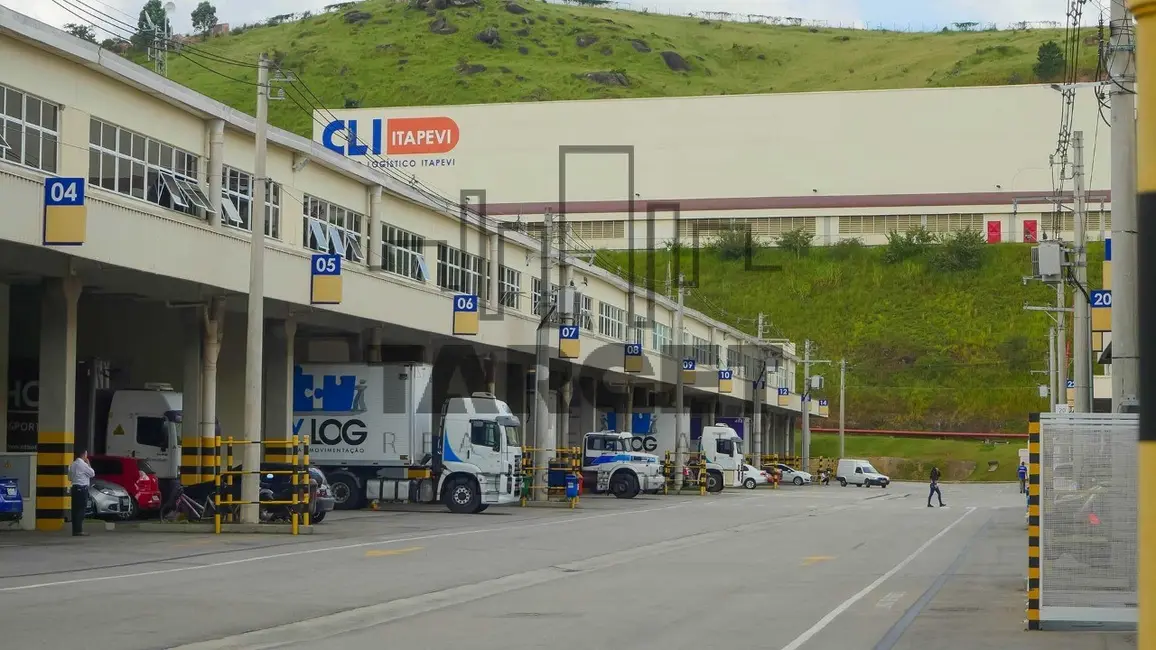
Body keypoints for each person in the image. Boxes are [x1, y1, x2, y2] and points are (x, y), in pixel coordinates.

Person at [67, 450, 95, 536]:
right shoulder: (83, 464)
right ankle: (79, 530)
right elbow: (92, 473)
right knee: (81, 510)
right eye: (86, 454)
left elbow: (70, 478)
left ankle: (75, 530)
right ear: (84, 454)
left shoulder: (73, 464)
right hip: (82, 488)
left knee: (75, 510)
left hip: (74, 488)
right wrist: (88, 463)